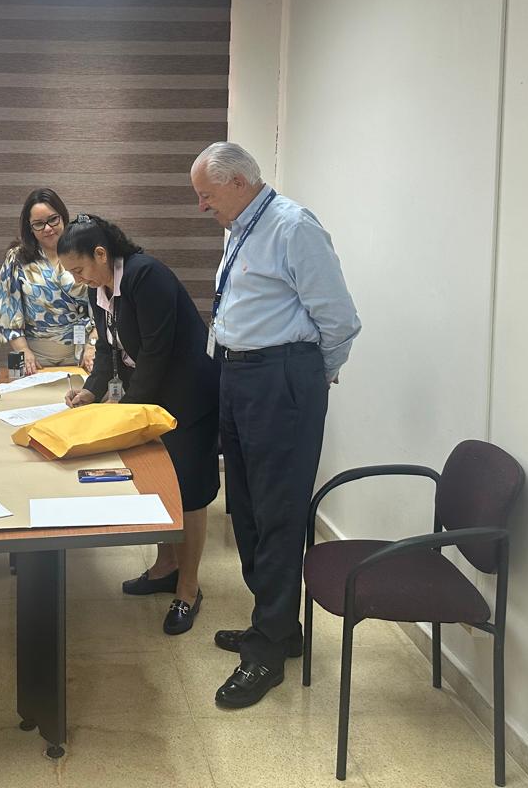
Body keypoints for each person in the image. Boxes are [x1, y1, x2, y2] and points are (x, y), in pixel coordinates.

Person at [190, 141, 361, 709]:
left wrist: (308, 379)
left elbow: (339, 319)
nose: (201, 206)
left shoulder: (293, 227)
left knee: (278, 513)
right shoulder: (240, 227)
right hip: (238, 376)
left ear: (238, 182)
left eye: (206, 195)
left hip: (281, 378)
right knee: (245, 510)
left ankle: (267, 651)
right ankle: (278, 626)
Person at [59, 215, 220, 635]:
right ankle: (165, 567)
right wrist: (91, 391)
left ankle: (188, 589)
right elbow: (107, 348)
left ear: (101, 254)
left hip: (187, 397)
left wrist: (127, 412)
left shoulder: (147, 276)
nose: (78, 279)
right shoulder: (99, 288)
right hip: (151, 398)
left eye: (79, 269)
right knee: (159, 483)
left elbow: (156, 352)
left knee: (189, 492)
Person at [0, 188, 96, 375]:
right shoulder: (17, 258)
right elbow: (7, 311)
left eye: (53, 219)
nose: (47, 228)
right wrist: (23, 351)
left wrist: (93, 344)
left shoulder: (85, 251)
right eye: (38, 224)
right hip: (35, 357)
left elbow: (104, 305)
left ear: (63, 217)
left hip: (84, 352)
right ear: (30, 227)